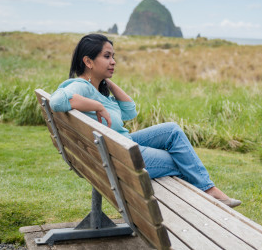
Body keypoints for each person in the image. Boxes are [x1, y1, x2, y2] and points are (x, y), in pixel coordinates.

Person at [50, 34, 241, 208]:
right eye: (107, 56)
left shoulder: (96, 88)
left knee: (172, 130)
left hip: (119, 145)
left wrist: (106, 82)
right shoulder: (81, 86)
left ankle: (210, 191)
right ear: (88, 61)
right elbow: (57, 101)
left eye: (113, 56)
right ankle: (211, 193)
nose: (113, 62)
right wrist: (98, 106)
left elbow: (129, 111)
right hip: (118, 155)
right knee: (182, 160)